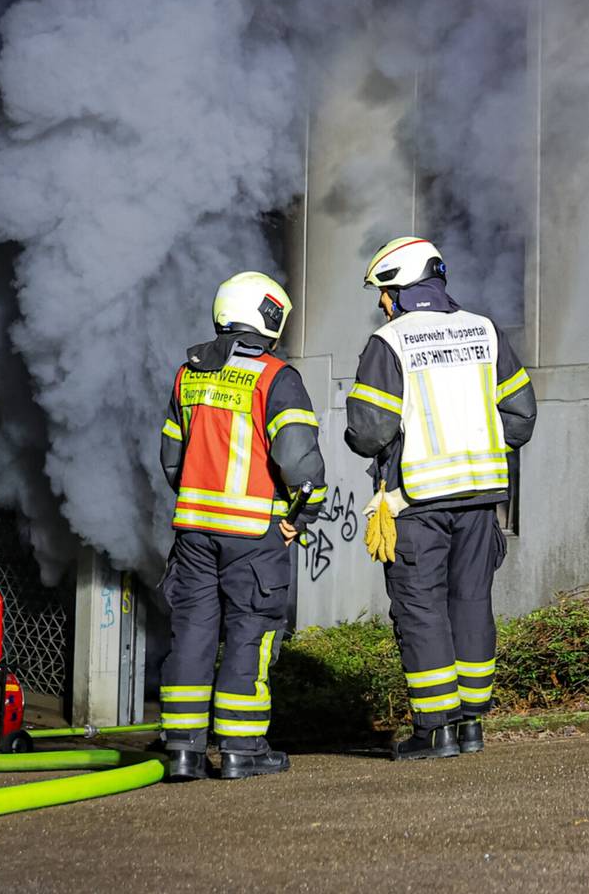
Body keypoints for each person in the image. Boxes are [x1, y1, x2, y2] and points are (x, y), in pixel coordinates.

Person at [344, 236, 536, 761]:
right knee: (471, 603)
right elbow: (521, 417)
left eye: (382, 292)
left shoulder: (390, 341)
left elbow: (369, 431)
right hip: (480, 500)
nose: (381, 303)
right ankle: (471, 724)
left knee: (421, 608)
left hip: (416, 503)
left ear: (399, 288)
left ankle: (435, 730)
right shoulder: (485, 331)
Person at [155, 271, 327, 781]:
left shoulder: (188, 374)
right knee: (251, 632)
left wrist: (200, 500)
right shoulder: (276, 377)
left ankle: (182, 750)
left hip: (194, 531)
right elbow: (299, 463)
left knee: (192, 631)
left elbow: (172, 459)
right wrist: (302, 514)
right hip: (255, 534)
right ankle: (241, 749)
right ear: (270, 317)